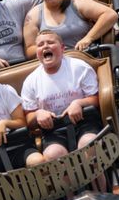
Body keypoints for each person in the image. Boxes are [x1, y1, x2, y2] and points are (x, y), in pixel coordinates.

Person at [22, 30, 103, 163]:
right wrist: (38, 113)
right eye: (41, 44)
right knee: (53, 155)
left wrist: (79, 103)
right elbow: (29, 117)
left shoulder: (79, 67)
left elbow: (96, 99)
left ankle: (99, 183)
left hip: (84, 121)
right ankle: (72, 184)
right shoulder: (31, 81)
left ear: (62, 48)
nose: (45, 46)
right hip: (54, 130)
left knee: (88, 144)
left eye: (50, 42)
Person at [23, 0, 117, 56]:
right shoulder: (33, 15)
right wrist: (50, 48)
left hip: (83, 58)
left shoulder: (77, 4)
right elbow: (29, 49)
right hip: (52, 64)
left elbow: (110, 14)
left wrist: (89, 38)